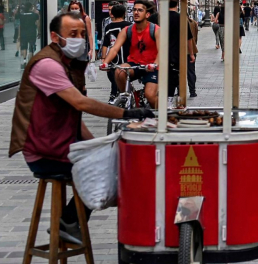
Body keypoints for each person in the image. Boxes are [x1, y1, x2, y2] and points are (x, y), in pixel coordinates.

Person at [9, 13, 154, 244]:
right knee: (110, 168)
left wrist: (97, 145)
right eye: (72, 34)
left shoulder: (67, 63)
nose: (79, 38)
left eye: (82, 34)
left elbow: (73, 116)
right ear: (55, 37)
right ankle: (69, 221)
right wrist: (125, 113)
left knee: (115, 159)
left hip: (61, 143)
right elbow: (81, 103)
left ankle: (71, 221)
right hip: (44, 150)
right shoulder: (47, 65)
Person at [103, 0, 160, 107]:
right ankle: (128, 96)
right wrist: (105, 62)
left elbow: (161, 51)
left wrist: (154, 65)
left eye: (140, 10)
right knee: (119, 71)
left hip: (152, 66)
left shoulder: (156, 30)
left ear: (147, 14)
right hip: (134, 64)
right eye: (134, 10)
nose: (136, 12)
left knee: (150, 95)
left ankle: (162, 116)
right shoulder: (127, 30)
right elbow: (115, 48)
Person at [166, 0, 197, 101]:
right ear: (177, 4)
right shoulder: (182, 19)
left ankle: (175, 93)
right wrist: (191, 53)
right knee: (189, 71)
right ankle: (191, 92)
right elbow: (190, 38)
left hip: (167, 53)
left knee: (172, 74)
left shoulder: (161, 18)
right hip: (183, 51)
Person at [100, 4, 130, 100]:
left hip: (114, 57)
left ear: (112, 14)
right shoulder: (130, 26)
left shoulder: (109, 27)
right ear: (124, 13)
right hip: (128, 56)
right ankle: (123, 93)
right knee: (126, 77)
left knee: (114, 77)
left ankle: (114, 95)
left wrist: (104, 58)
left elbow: (105, 44)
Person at [18, 2, 40, 66]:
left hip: (23, 33)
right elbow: (38, 24)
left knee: (24, 47)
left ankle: (24, 61)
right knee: (31, 47)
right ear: (31, 7)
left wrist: (19, 35)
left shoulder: (21, 15)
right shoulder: (34, 15)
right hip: (32, 32)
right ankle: (30, 63)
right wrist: (39, 32)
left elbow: (20, 25)